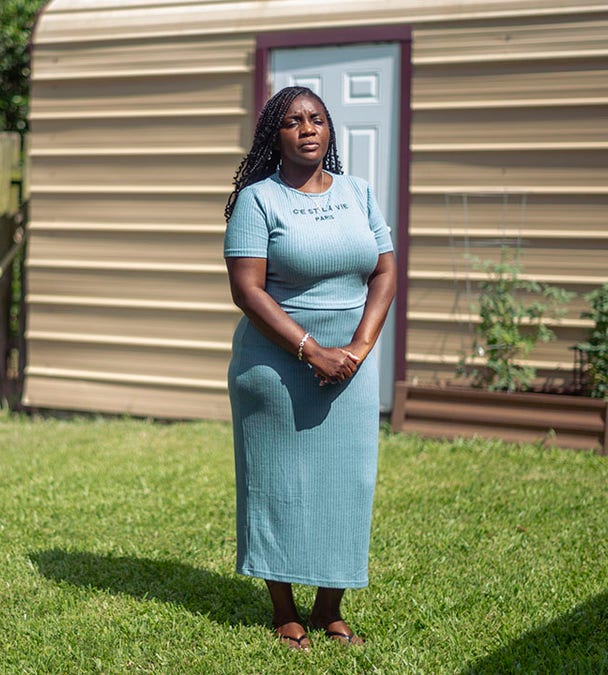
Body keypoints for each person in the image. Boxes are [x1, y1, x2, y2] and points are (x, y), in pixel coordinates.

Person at [223, 85, 397, 651]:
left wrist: (359, 347)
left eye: (317, 119)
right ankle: (283, 608)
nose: (307, 129)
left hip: (351, 364)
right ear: (275, 135)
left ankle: (330, 607)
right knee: (277, 484)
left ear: (330, 130)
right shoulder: (258, 200)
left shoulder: (359, 193)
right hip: (275, 366)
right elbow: (247, 291)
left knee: (348, 484)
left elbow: (385, 272)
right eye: (293, 121)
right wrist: (312, 350)